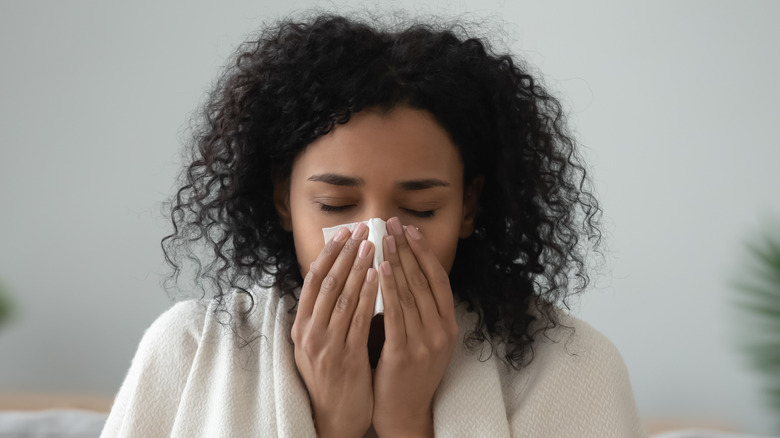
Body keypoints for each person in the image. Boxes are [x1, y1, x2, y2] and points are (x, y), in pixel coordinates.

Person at [101, 12, 647, 438]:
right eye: (336, 205)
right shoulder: (190, 350)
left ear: (469, 207)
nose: (376, 239)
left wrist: (408, 426)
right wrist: (332, 425)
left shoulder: (574, 368)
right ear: (282, 199)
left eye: (420, 210)